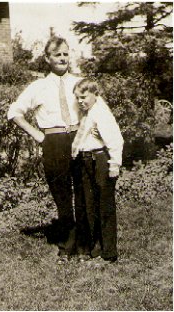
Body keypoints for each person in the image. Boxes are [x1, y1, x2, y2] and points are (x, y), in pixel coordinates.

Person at [7, 36, 84, 262]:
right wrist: (38, 135)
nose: (62, 58)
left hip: (80, 139)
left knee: (82, 191)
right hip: (54, 141)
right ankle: (66, 245)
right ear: (47, 59)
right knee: (61, 194)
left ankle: (85, 243)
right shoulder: (37, 87)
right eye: (57, 55)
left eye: (65, 54)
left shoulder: (79, 82)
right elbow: (14, 112)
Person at [72, 78, 124, 263]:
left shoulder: (102, 113)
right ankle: (95, 248)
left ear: (95, 94)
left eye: (83, 97)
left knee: (104, 206)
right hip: (87, 159)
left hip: (100, 160)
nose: (80, 101)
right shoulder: (87, 113)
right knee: (90, 205)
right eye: (77, 97)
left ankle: (109, 252)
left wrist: (114, 165)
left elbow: (116, 140)